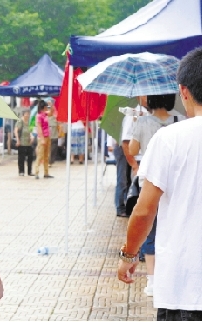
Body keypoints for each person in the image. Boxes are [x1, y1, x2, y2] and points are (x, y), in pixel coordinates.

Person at [117, 47, 202, 320]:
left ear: (184, 91)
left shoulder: (169, 139)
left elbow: (144, 210)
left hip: (184, 284)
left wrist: (129, 256)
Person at [128, 93, 185, 297]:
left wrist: (137, 126)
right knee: (174, 229)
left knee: (150, 232)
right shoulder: (180, 119)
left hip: (151, 183)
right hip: (177, 185)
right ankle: (173, 276)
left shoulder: (142, 121)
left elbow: (133, 149)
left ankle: (153, 281)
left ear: (150, 100)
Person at [107, 135, 128, 218]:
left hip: (124, 149)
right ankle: (120, 208)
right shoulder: (119, 125)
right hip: (121, 149)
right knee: (122, 180)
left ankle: (123, 206)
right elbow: (110, 146)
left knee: (125, 180)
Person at [34, 100, 53, 179]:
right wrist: (42, 139)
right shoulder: (38, 116)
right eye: (46, 107)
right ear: (43, 107)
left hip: (48, 136)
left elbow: (51, 113)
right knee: (40, 155)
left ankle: (46, 173)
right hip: (42, 137)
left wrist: (50, 105)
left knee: (46, 156)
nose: (47, 108)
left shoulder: (45, 114)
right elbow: (39, 128)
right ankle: (36, 172)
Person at [14, 110, 34, 176]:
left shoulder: (28, 122)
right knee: (21, 158)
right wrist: (18, 140)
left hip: (28, 143)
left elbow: (29, 131)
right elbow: (16, 131)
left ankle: (29, 171)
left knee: (30, 157)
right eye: (26, 114)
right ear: (23, 114)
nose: (27, 115)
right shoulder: (20, 121)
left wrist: (31, 136)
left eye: (28, 114)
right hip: (22, 142)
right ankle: (21, 171)